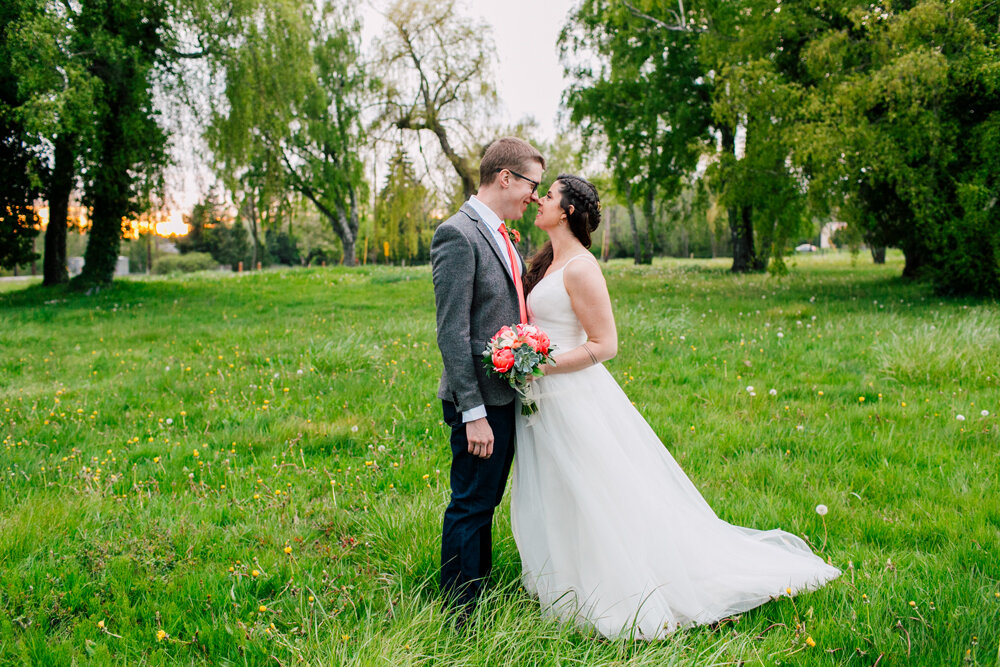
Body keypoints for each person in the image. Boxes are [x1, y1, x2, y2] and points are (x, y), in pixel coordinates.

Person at [511, 174, 840, 639]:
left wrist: (540, 366)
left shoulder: (582, 267)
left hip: (572, 396)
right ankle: (563, 582)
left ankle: (616, 588)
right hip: (542, 402)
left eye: (548, 195)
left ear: (566, 211)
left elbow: (605, 344)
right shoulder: (544, 261)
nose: (539, 200)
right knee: (556, 491)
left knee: (594, 493)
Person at [430, 136, 545, 619]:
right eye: (532, 185)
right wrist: (473, 412)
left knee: (485, 500)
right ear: (505, 178)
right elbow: (452, 332)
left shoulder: (500, 233)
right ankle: (459, 612)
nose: (535, 196)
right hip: (477, 401)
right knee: (472, 503)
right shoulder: (458, 233)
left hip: (503, 393)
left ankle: (474, 590)